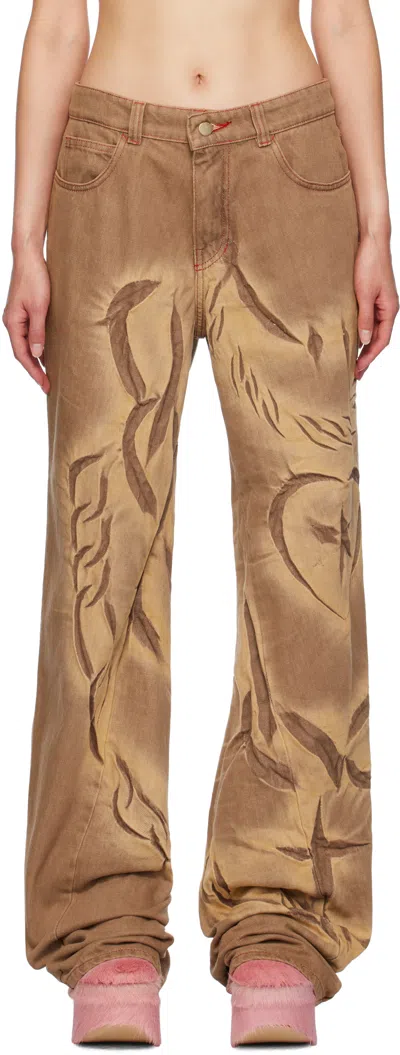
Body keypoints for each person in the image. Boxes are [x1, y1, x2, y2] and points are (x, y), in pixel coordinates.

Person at [3, 0, 398, 1046]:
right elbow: (56, 24)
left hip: (291, 165)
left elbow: (344, 17)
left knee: (307, 546)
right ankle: (104, 920)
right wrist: (25, 239)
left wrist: (375, 222)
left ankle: (286, 916)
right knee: (102, 545)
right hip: (113, 167)